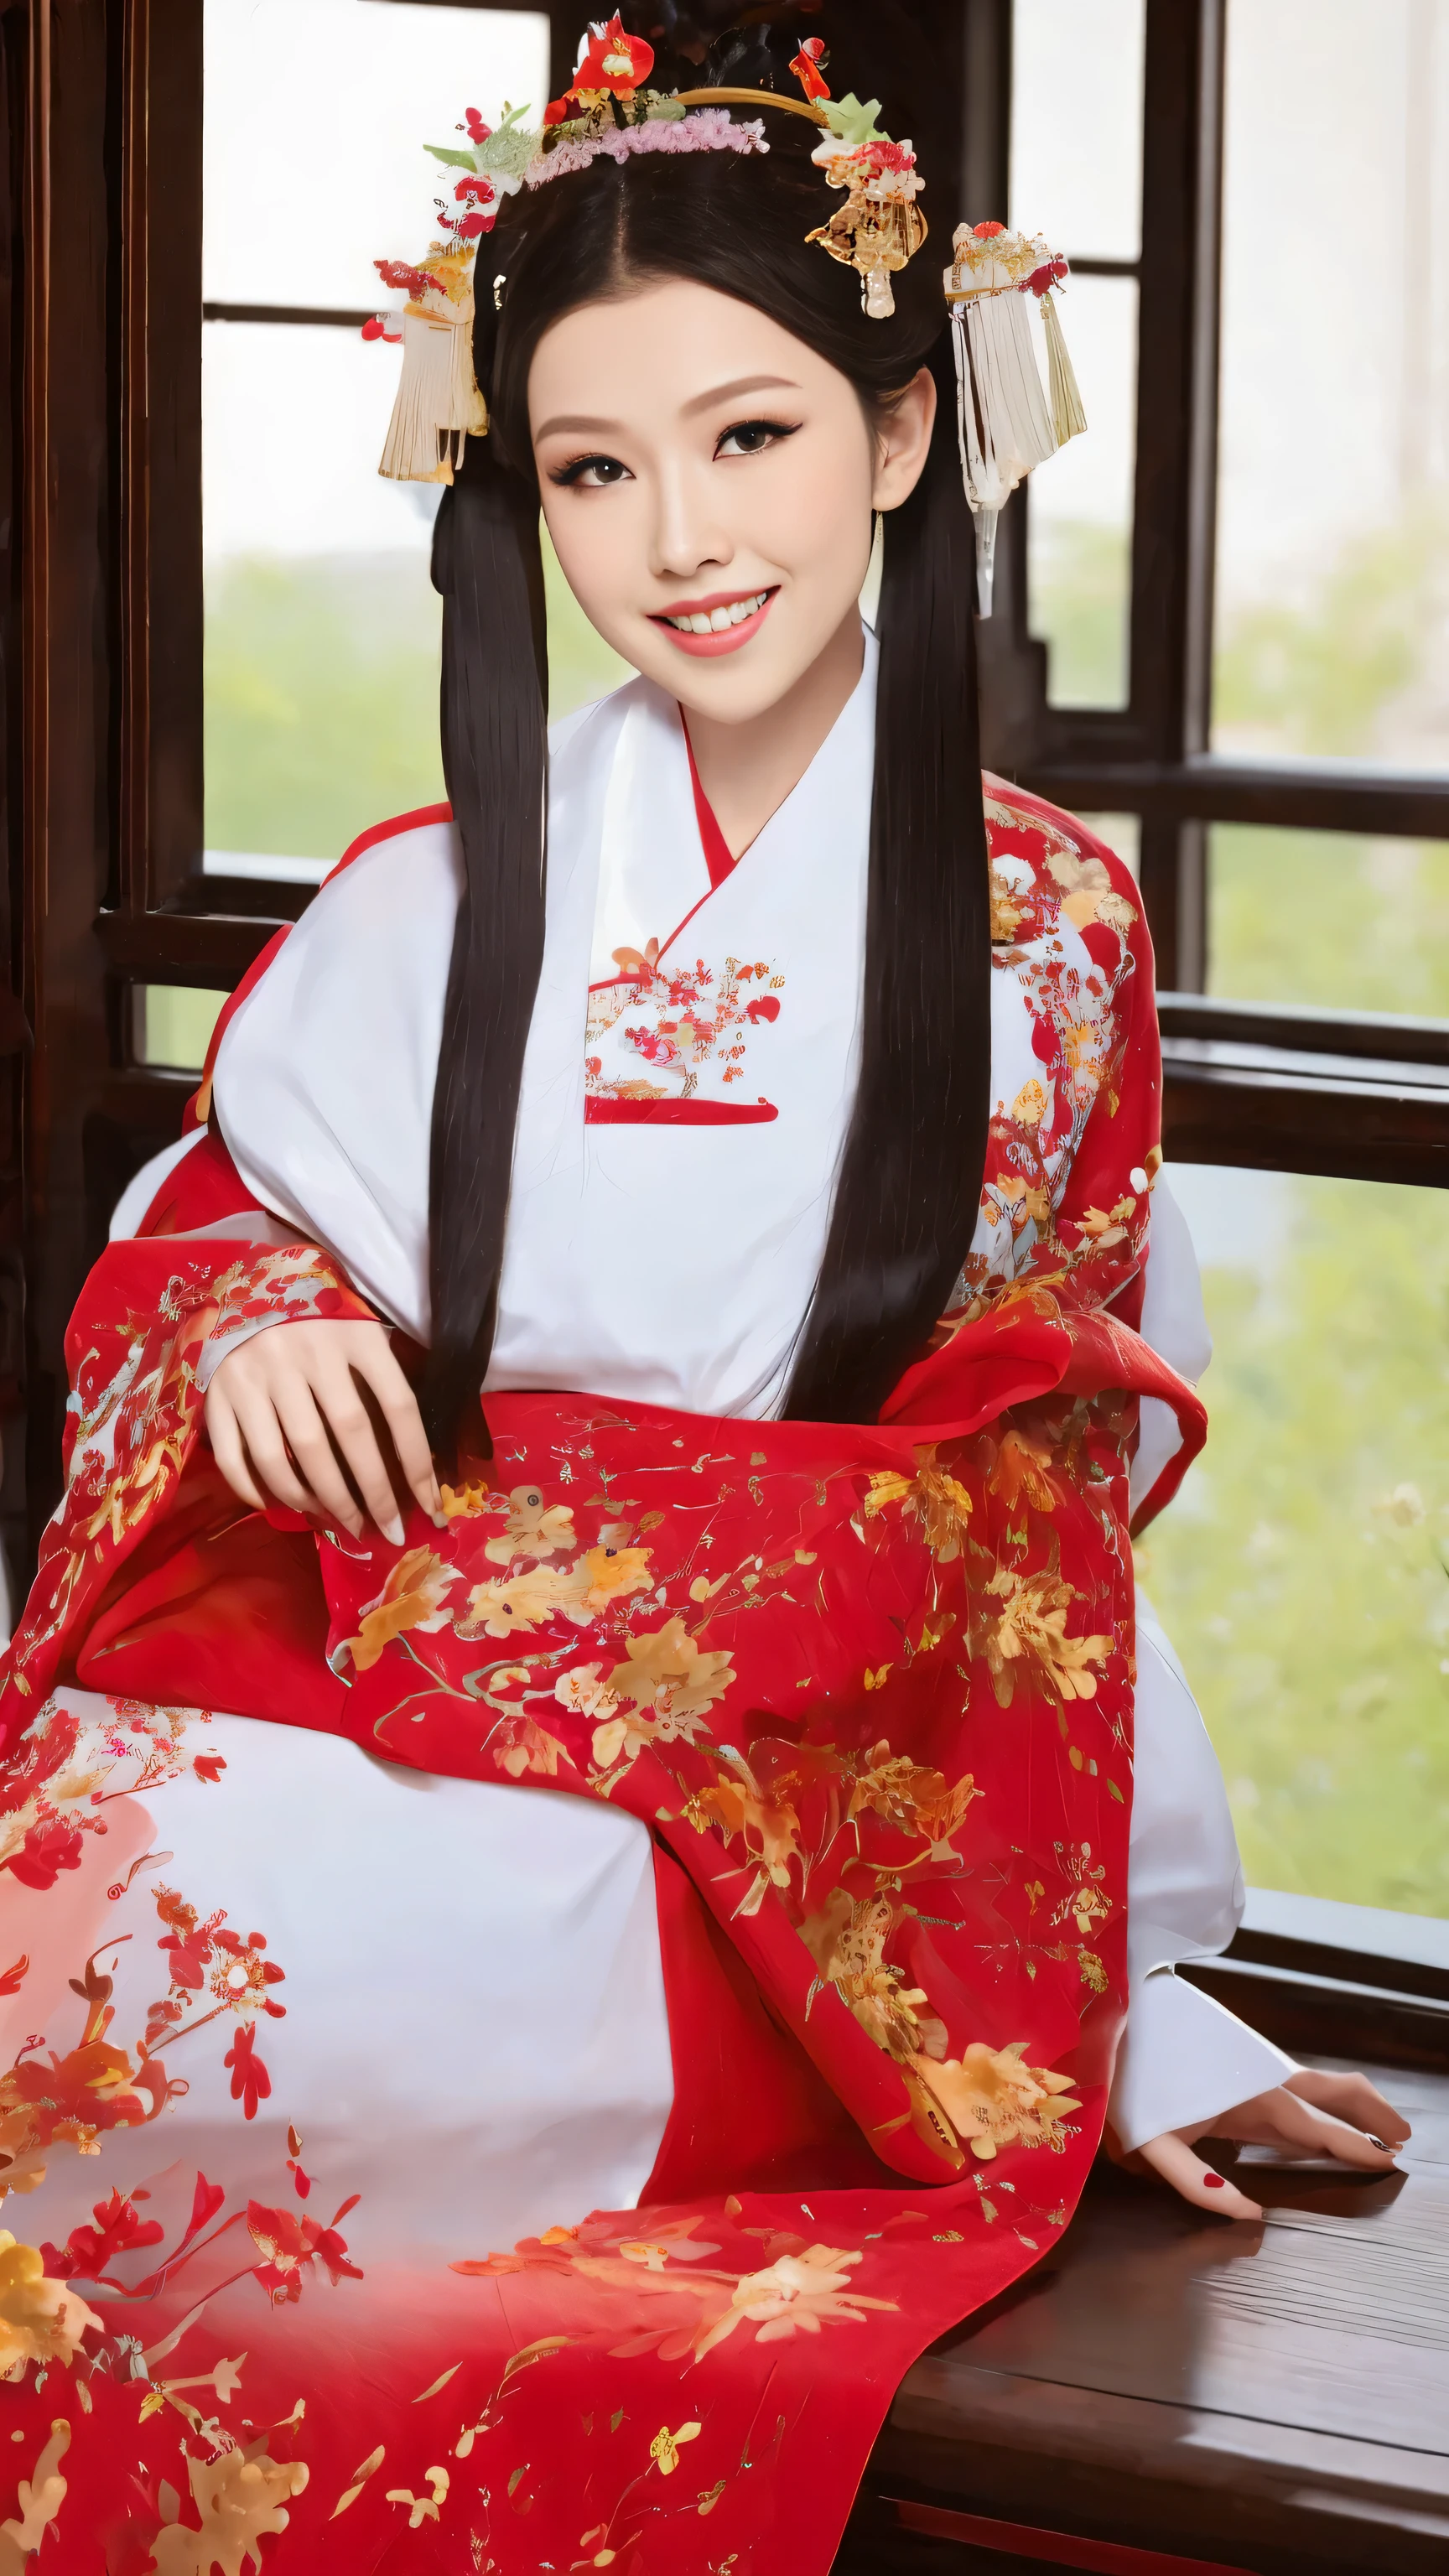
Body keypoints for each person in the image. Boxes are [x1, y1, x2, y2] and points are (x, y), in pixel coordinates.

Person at [0, 10, 1406, 2568]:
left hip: (776, 1821)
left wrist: (1106, 1994)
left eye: (749, 435)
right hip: (348, 1699)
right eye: (591, 465)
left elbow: (1024, 1488)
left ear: (897, 434)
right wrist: (264, 1321)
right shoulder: (436, 884)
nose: (676, 537)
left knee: (290, 2132)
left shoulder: (1034, 930)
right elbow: (220, 1219)